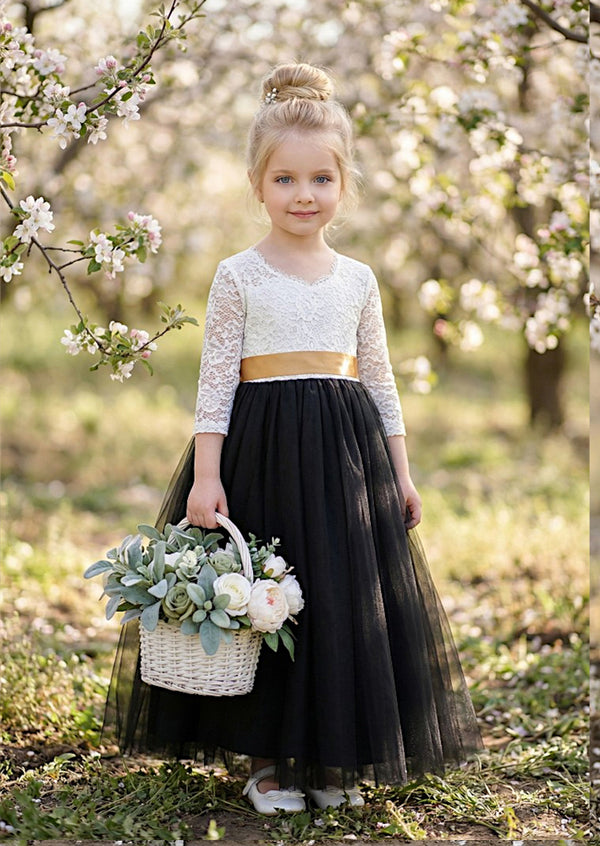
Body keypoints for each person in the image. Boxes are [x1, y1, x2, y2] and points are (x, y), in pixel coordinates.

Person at [104, 61, 483, 815]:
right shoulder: (238, 275)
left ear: (343, 185)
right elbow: (216, 383)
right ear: (257, 183)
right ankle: (270, 760)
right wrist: (207, 479)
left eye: (319, 180)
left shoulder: (358, 279)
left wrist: (401, 473)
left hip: (348, 460)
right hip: (263, 454)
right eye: (285, 180)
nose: (303, 196)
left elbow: (380, 382)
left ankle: (332, 756)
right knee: (268, 601)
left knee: (343, 600)